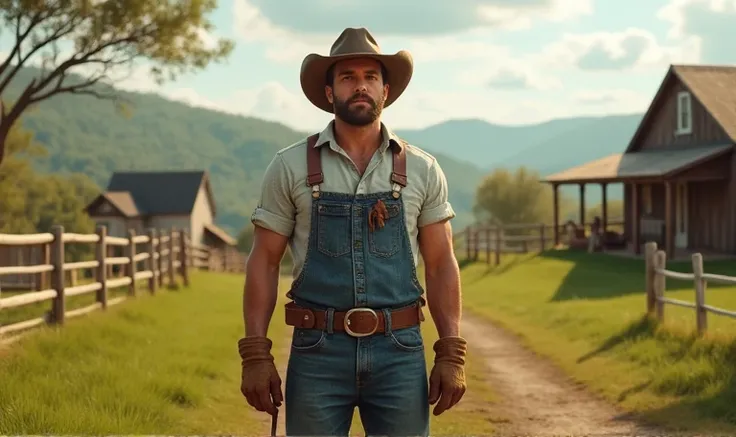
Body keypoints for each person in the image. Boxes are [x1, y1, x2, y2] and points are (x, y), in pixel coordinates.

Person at [237, 27, 467, 437]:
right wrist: (255, 353)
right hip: (317, 352)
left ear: (385, 90)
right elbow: (264, 260)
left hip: (400, 351)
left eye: (369, 77)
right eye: (347, 77)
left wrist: (451, 350)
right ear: (329, 93)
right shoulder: (289, 167)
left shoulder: (422, 169)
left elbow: (440, 262)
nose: (359, 86)